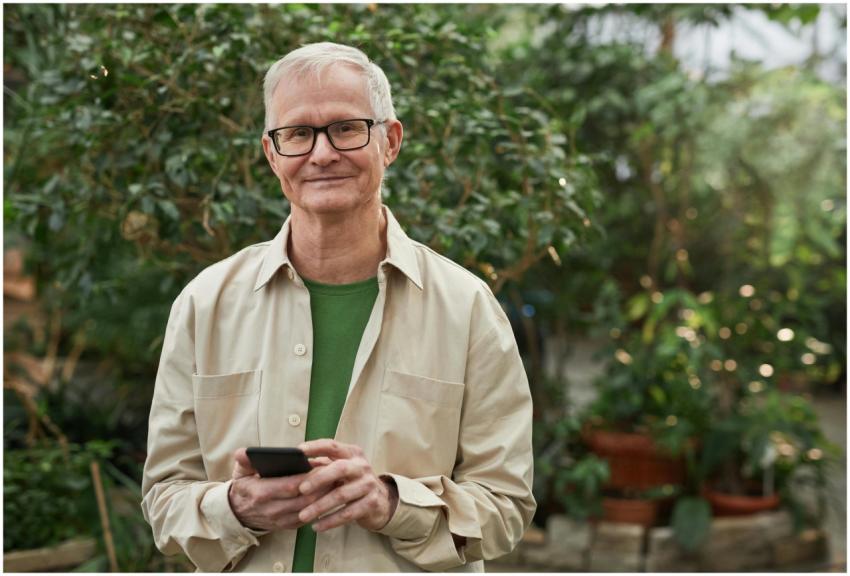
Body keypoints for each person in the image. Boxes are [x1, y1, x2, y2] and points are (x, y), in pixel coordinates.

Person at [141, 41, 535, 573]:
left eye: (346, 128)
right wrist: (234, 508)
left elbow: (506, 505)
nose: (322, 154)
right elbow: (164, 498)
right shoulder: (205, 304)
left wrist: (393, 505)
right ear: (271, 153)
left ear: (389, 141)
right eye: (297, 134)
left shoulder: (467, 310)